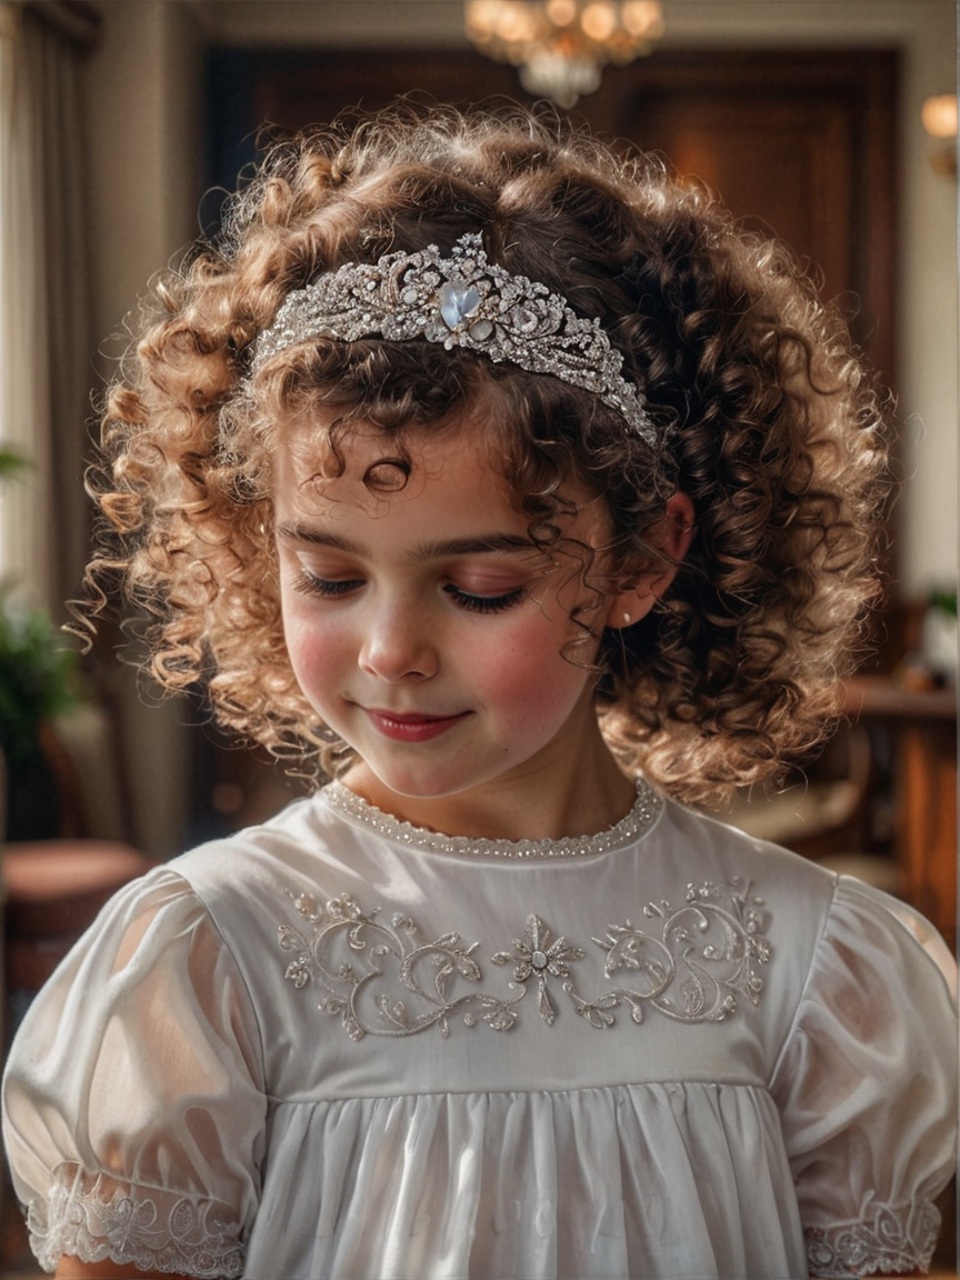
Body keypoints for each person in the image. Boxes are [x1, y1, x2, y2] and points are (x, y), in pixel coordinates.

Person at [2, 101, 955, 1280]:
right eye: (330, 574)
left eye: (484, 585)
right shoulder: (207, 957)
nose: (391, 648)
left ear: (643, 561)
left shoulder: (818, 966)